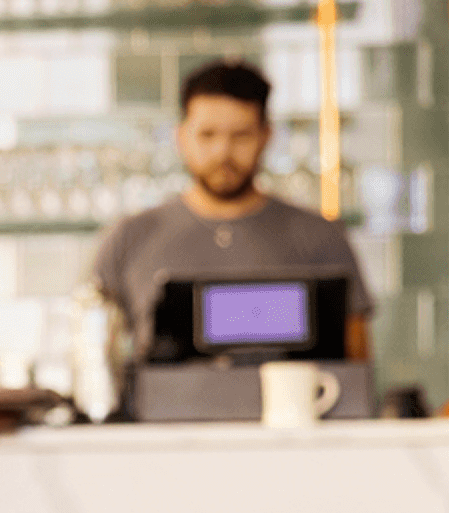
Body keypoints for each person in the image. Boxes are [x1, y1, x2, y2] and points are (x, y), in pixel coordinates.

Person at [89, 59, 373, 359]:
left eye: (241, 136)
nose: (222, 152)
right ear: (181, 137)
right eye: (207, 135)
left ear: (266, 137)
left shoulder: (320, 237)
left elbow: (356, 366)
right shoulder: (129, 239)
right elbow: (97, 357)